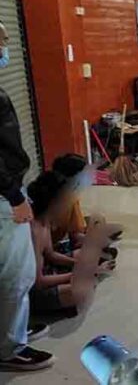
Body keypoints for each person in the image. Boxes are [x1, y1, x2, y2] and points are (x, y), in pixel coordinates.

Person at [0, 20, 54, 370]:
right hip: (4, 197)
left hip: (6, 192)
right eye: (2, 41)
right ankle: (10, 348)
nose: (6, 48)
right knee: (16, 274)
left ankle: (12, 330)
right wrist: (14, 196)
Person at [27, 171, 115, 314]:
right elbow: (39, 282)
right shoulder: (33, 230)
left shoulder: (45, 220)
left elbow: (51, 254)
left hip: (48, 269)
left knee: (89, 256)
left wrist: (79, 265)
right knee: (82, 289)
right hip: (34, 290)